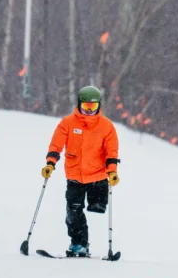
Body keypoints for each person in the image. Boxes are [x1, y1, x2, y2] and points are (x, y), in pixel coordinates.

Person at [41, 85, 120, 257]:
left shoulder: (106, 127)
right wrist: (50, 163)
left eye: (92, 107)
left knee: (97, 208)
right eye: (86, 107)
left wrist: (112, 171)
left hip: (97, 176)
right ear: (79, 104)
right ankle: (79, 244)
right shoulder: (68, 123)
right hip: (75, 175)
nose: (89, 111)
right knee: (74, 211)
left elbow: (111, 152)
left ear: (99, 105)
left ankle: (93, 212)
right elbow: (56, 145)